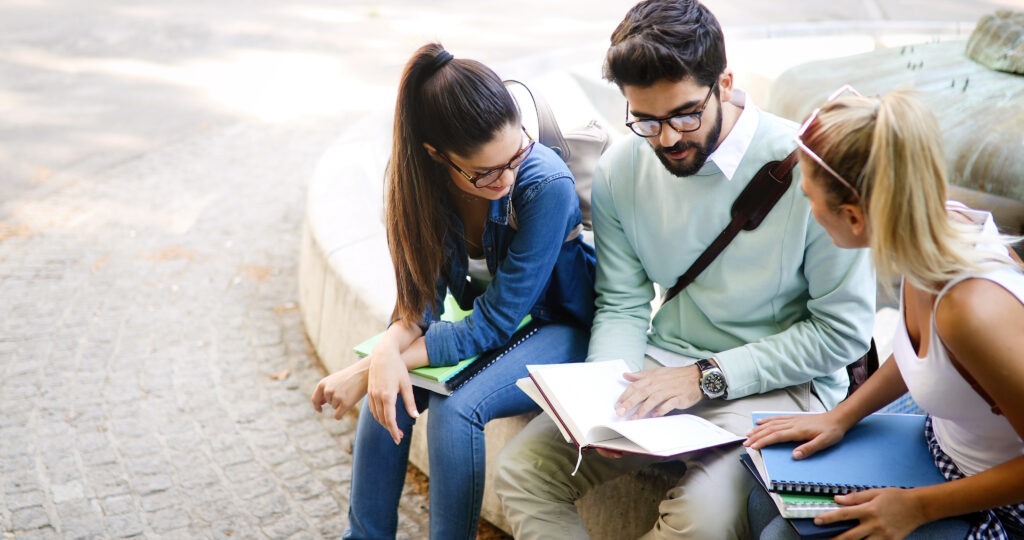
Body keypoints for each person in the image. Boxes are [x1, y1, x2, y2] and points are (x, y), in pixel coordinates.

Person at [494, 1, 876, 538]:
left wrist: (707, 377)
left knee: (699, 521)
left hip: (781, 387)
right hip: (661, 366)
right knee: (522, 472)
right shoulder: (622, 170)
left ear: (725, 82)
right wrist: (605, 400)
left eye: (684, 115)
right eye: (645, 120)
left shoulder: (811, 168)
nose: (667, 139)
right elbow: (623, 303)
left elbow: (841, 332)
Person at [309, 43, 596, 540]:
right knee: (391, 384)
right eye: (485, 173)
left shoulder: (545, 184)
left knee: (454, 409)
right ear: (436, 156)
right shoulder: (421, 188)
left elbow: (496, 322)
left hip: (564, 325)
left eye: (517, 154)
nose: (506, 179)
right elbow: (417, 305)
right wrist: (384, 357)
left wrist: (373, 362)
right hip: (505, 325)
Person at [745, 88, 1024, 539]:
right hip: (944, 445)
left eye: (808, 196)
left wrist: (915, 507)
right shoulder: (932, 235)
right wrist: (841, 415)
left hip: (998, 500)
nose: (807, 208)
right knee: (763, 498)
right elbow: (929, 357)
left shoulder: (968, 310)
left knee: (783, 534)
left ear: (854, 216)